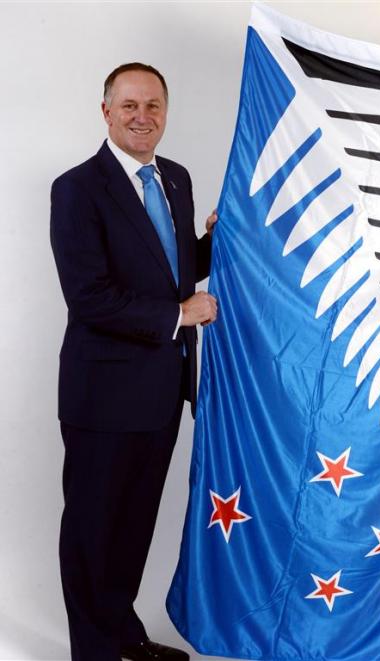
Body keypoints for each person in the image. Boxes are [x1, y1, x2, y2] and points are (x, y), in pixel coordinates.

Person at [50, 62, 218, 661]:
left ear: (165, 113)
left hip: (162, 389)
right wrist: (180, 315)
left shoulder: (174, 177)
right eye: (129, 106)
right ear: (106, 112)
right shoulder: (77, 188)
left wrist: (219, 240)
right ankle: (92, 652)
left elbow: (171, 268)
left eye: (153, 106)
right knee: (93, 532)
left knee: (133, 527)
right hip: (102, 395)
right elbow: (90, 295)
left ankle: (122, 637)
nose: (142, 117)